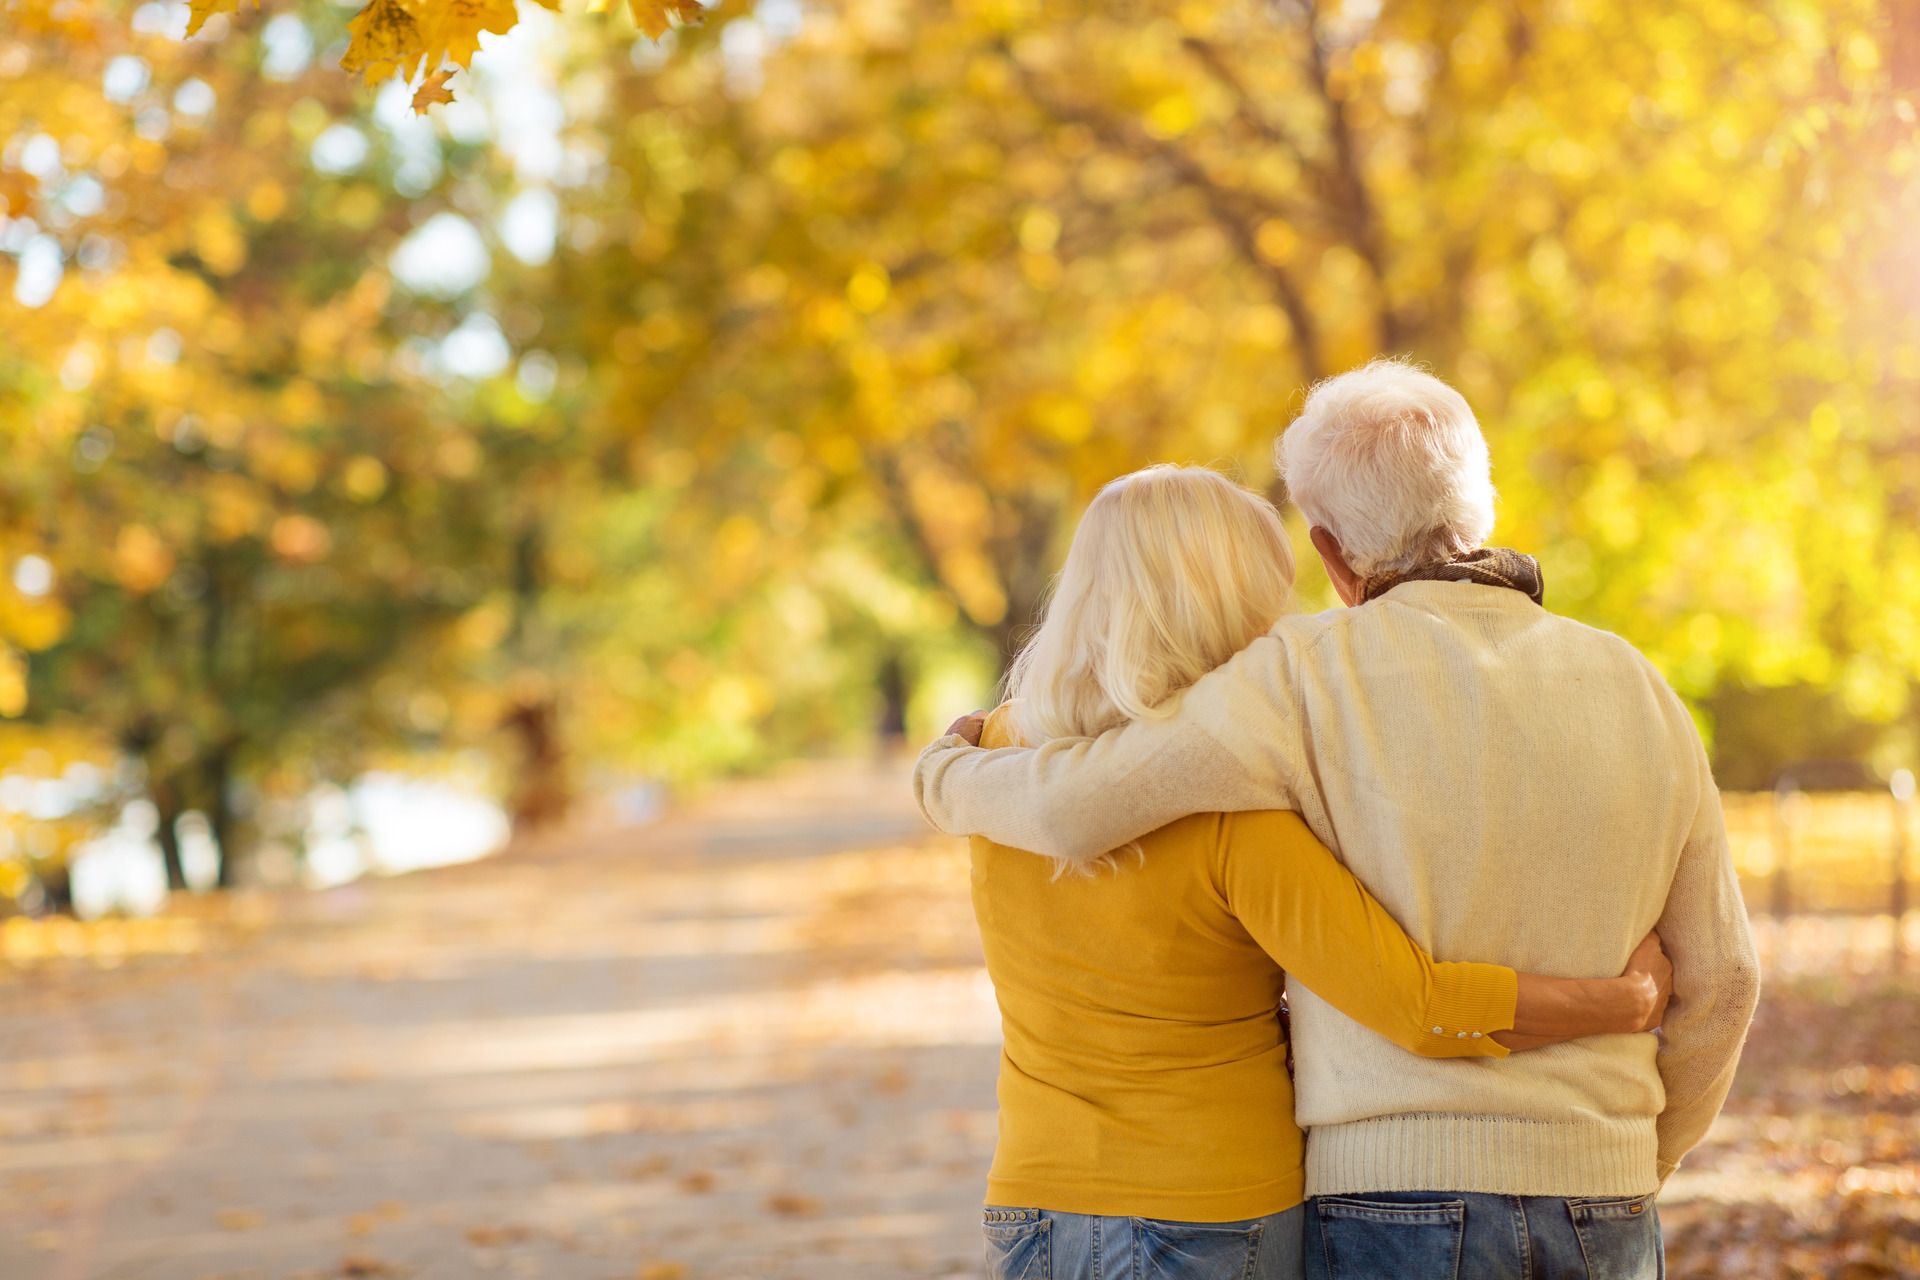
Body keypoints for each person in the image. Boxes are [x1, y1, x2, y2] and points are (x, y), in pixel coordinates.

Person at [918, 361, 1760, 1280]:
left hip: (1387, 1197)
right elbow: (1724, 980)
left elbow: (1071, 807)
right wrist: (1637, 1153)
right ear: (1481, 500)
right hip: (1605, 1198)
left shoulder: (1300, 677)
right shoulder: (1638, 684)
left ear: (1328, 549)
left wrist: (948, 773)